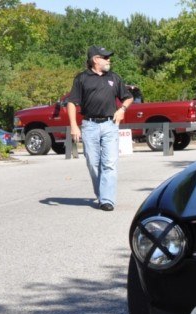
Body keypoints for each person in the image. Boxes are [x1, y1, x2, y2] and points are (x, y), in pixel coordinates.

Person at [67, 45, 133, 212]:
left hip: (110, 125)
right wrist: (74, 126)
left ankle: (107, 200)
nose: (109, 60)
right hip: (89, 126)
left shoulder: (114, 77)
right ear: (95, 60)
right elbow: (71, 102)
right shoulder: (82, 78)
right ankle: (102, 194)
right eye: (105, 57)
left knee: (109, 164)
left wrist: (122, 109)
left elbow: (128, 97)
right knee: (93, 163)